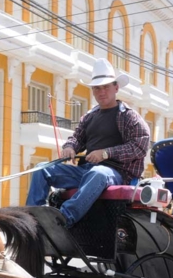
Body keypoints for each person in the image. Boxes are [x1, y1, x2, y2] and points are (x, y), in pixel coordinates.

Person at [26, 57, 150, 227]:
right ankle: (33, 218)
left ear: (116, 87)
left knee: (98, 173)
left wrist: (106, 153)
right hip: (86, 171)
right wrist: (70, 147)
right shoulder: (90, 116)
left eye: (106, 87)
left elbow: (139, 146)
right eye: (97, 88)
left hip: (117, 174)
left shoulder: (129, 116)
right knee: (42, 169)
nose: (101, 92)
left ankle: (62, 219)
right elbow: (77, 138)